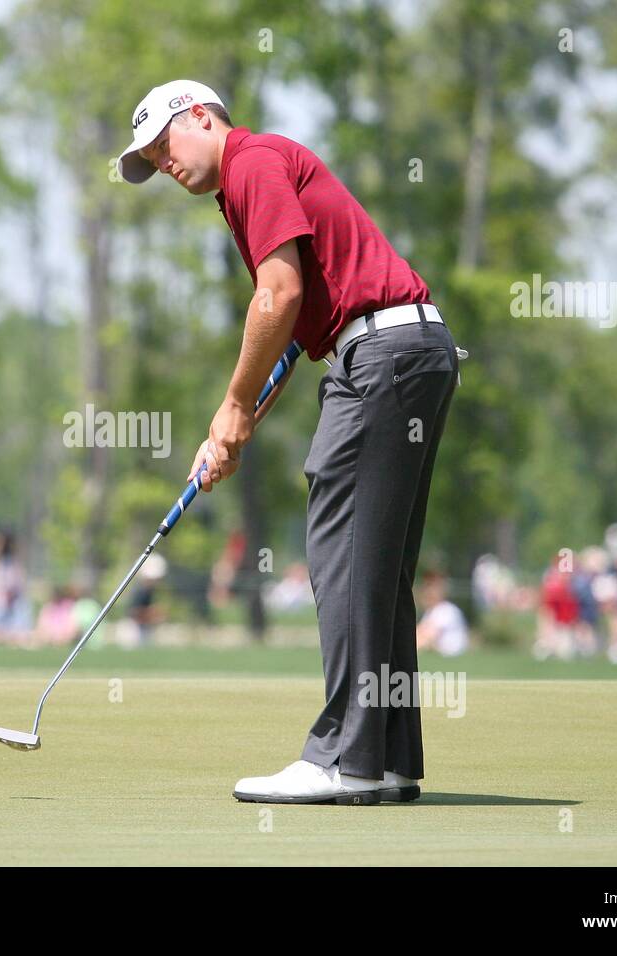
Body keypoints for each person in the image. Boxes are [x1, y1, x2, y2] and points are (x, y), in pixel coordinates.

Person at [120, 80, 459, 804]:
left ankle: (344, 756)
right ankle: (389, 756)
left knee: (340, 556)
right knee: (377, 565)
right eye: (150, 159)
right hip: (410, 351)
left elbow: (277, 297)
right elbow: (292, 338)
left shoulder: (251, 162)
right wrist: (231, 433)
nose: (163, 164)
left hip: (384, 358)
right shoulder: (252, 180)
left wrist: (232, 405)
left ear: (202, 118)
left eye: (164, 145)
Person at [415, 572, 469, 657]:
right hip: (439, 651)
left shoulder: (446, 610)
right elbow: (419, 631)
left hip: (450, 652)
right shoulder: (431, 611)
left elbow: (429, 635)